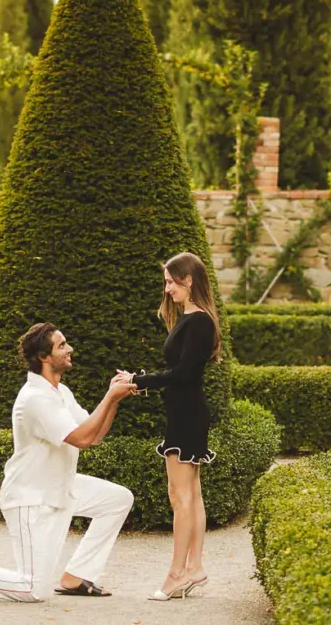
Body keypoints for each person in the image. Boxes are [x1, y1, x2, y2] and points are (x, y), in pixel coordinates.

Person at [0, 322, 137, 600]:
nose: (70, 349)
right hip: (31, 499)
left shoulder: (60, 392)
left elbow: (93, 436)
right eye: (62, 345)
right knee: (32, 590)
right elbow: (81, 439)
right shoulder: (35, 399)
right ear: (44, 357)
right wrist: (110, 396)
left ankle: (76, 576)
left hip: (59, 487)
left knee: (117, 499)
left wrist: (114, 399)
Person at [131, 252, 222, 601]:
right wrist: (142, 381)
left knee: (181, 497)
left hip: (187, 415)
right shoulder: (192, 319)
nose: (167, 289)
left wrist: (141, 380)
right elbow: (181, 375)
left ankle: (176, 575)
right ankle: (194, 568)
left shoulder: (198, 322)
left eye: (171, 281)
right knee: (189, 495)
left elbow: (184, 375)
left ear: (188, 280)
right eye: (166, 282)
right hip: (185, 412)